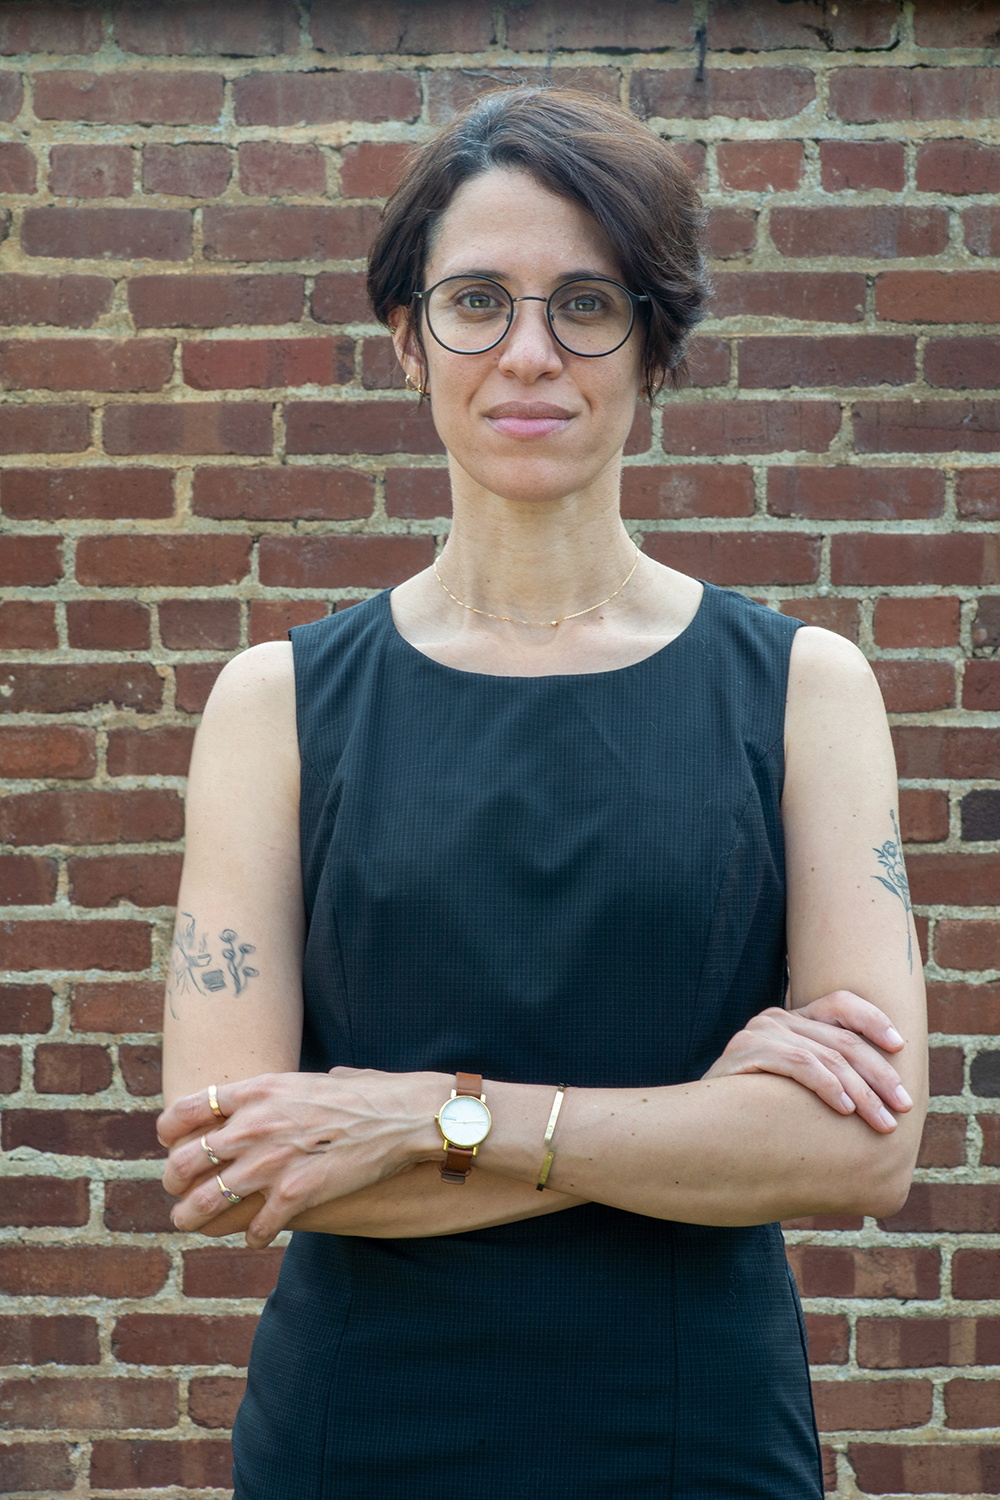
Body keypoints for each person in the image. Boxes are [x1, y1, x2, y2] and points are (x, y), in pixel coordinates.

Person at [158, 88, 927, 1499]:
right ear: (407, 340)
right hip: (362, 1434)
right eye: (474, 302)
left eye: (587, 305)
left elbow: (862, 1152)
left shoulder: (805, 688)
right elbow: (235, 1167)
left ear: (654, 349)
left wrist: (426, 1118)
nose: (529, 354)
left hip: (695, 1437)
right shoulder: (276, 708)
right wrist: (697, 1128)